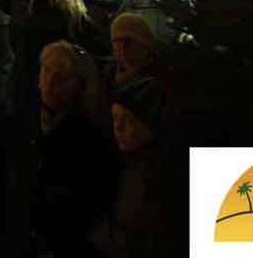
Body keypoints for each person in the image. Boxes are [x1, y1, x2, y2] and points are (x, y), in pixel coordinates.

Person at [25, 42, 119, 258]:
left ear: (80, 85)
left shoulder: (90, 136)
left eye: (61, 76)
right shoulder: (26, 120)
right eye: (46, 71)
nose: (50, 81)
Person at [100, 78, 183, 257]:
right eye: (115, 118)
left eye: (127, 119)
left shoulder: (165, 174)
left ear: (151, 124)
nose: (118, 128)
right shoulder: (129, 161)